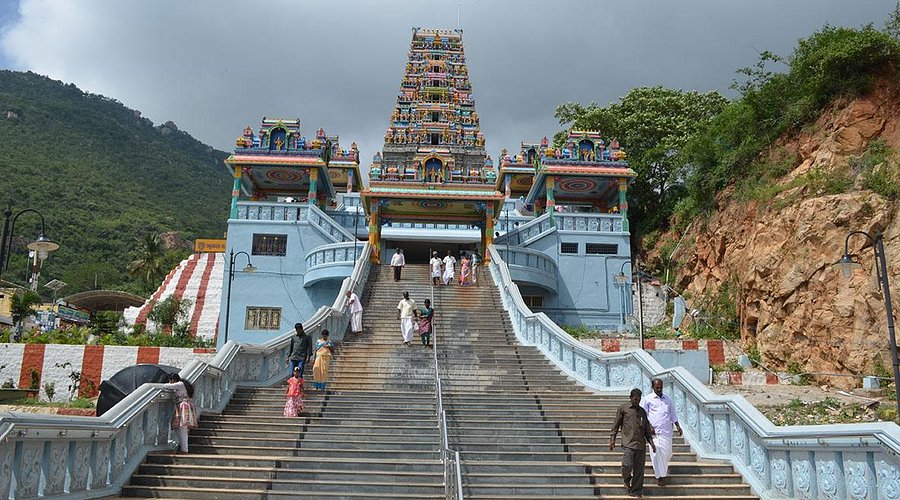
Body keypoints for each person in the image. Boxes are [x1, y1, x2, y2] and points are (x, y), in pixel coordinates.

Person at [610, 388, 656, 498]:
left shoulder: (642, 412)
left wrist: (652, 443)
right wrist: (612, 439)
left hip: (640, 444)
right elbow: (616, 424)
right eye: (635, 399)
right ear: (630, 398)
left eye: (639, 399)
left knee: (639, 470)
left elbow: (647, 431)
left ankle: (636, 491)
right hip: (628, 443)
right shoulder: (623, 408)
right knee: (627, 465)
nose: (637, 401)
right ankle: (626, 479)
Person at [641, 379, 683, 487]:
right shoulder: (647, 399)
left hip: (667, 431)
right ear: (652, 387)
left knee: (667, 454)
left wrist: (678, 426)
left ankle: (662, 472)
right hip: (653, 433)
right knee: (655, 454)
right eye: (657, 387)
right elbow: (642, 414)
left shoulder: (667, 399)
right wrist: (648, 425)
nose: (659, 389)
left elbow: (672, 414)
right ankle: (660, 476)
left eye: (660, 387)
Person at [163, 373, 198, 454]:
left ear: (173, 379)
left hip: (183, 406)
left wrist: (168, 384)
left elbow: (166, 386)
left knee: (182, 428)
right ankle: (184, 448)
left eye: (170, 380)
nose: (170, 382)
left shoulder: (180, 384)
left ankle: (185, 450)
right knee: (178, 427)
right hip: (184, 406)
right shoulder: (182, 384)